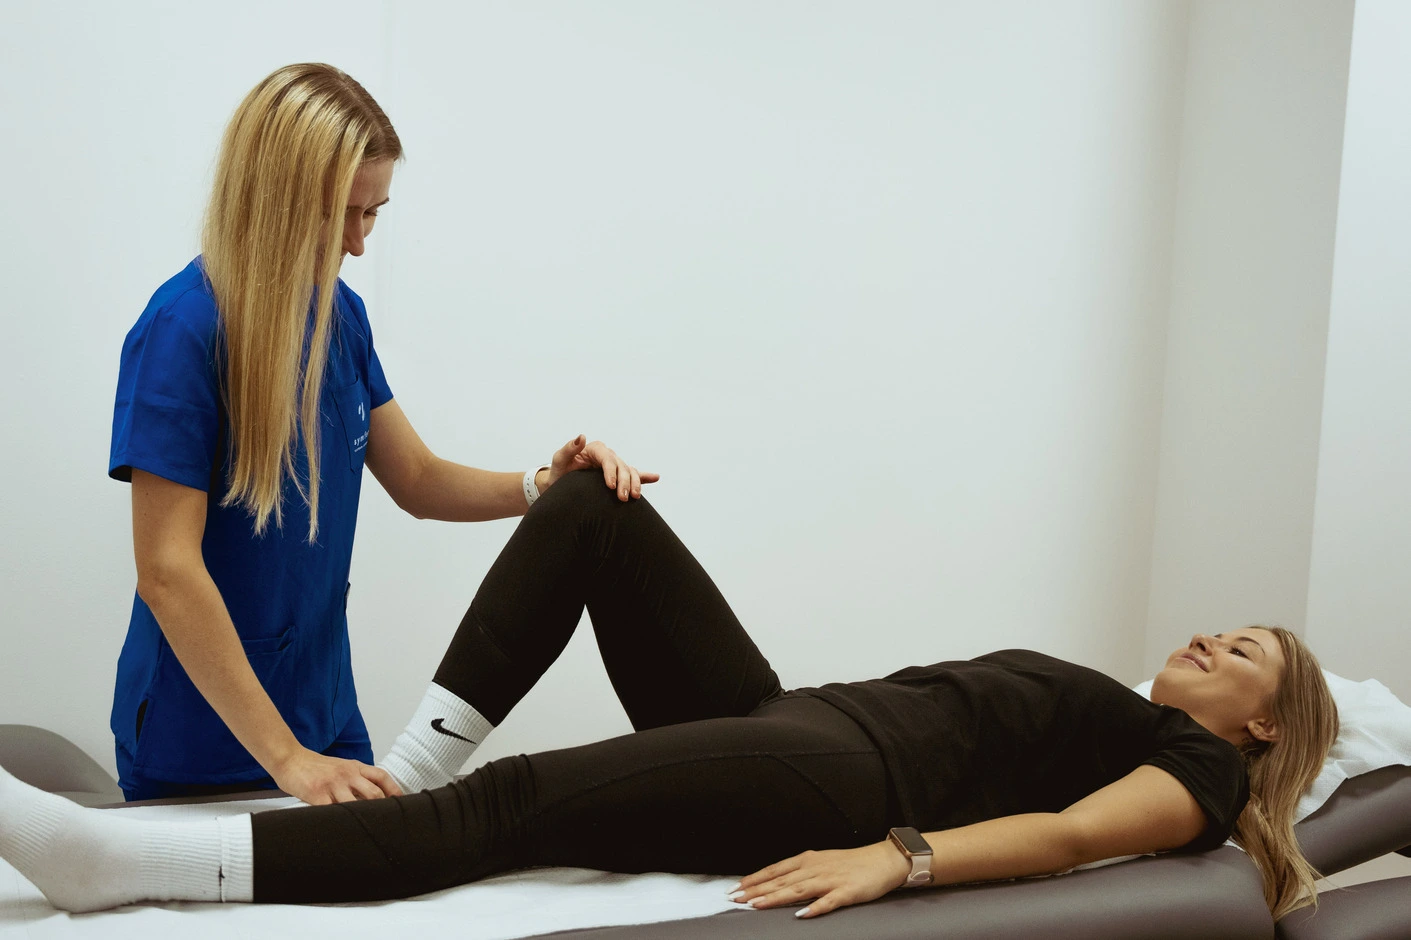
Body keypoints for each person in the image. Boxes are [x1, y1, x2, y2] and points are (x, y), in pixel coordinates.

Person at [0, 470, 1338, 921]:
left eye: (1238, 654)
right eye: (1217, 628)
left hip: (841, 784)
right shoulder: (1138, 711)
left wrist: (901, 857)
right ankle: (409, 766)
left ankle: (118, 868)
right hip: (792, 715)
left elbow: (1069, 837)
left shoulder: (1201, 775)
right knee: (599, 506)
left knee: (522, 802)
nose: (1204, 639)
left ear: (1265, 724)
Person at [107, 62, 656, 805]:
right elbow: (166, 570)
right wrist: (288, 760)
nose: (358, 244)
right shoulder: (183, 330)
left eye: (373, 213)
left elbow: (418, 480)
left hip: (325, 718)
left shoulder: (340, 317)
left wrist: (543, 485)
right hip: (202, 735)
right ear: (271, 197)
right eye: (338, 214)